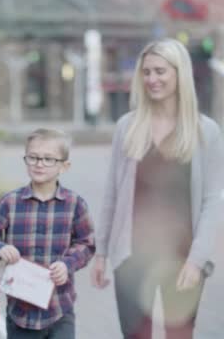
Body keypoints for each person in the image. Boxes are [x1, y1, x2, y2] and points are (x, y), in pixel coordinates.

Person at [90, 38, 224, 338]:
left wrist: (196, 260)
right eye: (146, 72)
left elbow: (212, 202)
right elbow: (112, 194)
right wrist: (101, 253)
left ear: (180, 73)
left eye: (160, 71)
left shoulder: (205, 131)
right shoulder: (128, 126)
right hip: (132, 259)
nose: (152, 79)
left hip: (182, 258)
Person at [0, 128, 95, 339]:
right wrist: (0, 247)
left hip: (60, 309)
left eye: (48, 159)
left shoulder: (75, 204)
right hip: (20, 312)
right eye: (33, 157)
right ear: (25, 160)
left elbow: (86, 244)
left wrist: (67, 263)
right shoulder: (11, 202)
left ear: (64, 166)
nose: (39, 163)